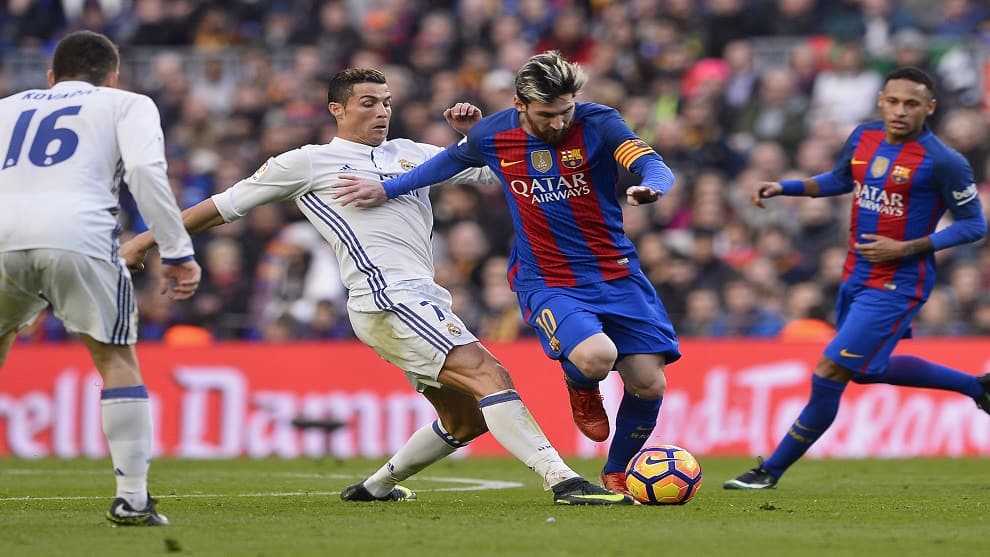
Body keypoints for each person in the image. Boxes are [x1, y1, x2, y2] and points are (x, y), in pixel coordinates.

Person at [121, 68, 633, 506]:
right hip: (386, 298)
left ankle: (376, 487)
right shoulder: (306, 162)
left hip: (422, 298)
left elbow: (497, 172)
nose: (381, 111)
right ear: (337, 110)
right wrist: (146, 241)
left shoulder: (412, 153)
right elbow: (223, 206)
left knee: (465, 419)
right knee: (489, 374)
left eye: (386, 102)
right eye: (368, 103)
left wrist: (477, 138)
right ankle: (562, 480)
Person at [333, 51, 681, 495]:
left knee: (650, 383)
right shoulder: (493, 134)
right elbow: (446, 163)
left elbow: (651, 162)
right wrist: (387, 189)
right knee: (596, 357)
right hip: (549, 279)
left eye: (565, 110)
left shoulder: (599, 122)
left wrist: (652, 186)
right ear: (520, 104)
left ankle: (616, 472)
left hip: (617, 273)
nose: (559, 122)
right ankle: (581, 384)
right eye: (547, 114)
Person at [724, 67, 989, 490]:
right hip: (856, 273)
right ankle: (978, 388)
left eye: (912, 104)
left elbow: (974, 225)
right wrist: (785, 187)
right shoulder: (865, 136)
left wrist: (907, 247)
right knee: (865, 370)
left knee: (830, 369)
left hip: (899, 282)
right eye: (893, 101)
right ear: (881, 100)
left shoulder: (944, 161)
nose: (900, 111)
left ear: (929, 108)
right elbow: (840, 180)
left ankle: (770, 470)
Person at [0, 31, 201, 525]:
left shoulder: (6, 108)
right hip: (79, 234)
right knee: (114, 358)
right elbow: (145, 172)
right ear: (113, 76)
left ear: (51, 77)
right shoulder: (126, 103)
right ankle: (131, 499)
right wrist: (176, 250)